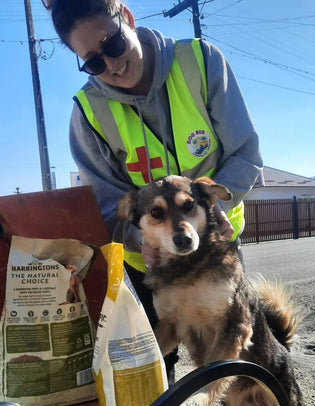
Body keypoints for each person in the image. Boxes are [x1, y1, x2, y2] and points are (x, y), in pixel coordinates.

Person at [47, 0, 264, 378]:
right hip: (149, 265)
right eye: (94, 62)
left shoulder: (200, 62)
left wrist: (213, 212)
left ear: (126, 18)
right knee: (154, 370)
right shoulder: (89, 112)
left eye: (112, 45)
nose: (111, 65)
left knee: (236, 360)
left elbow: (245, 152)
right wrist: (141, 240)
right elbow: (108, 206)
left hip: (216, 246)